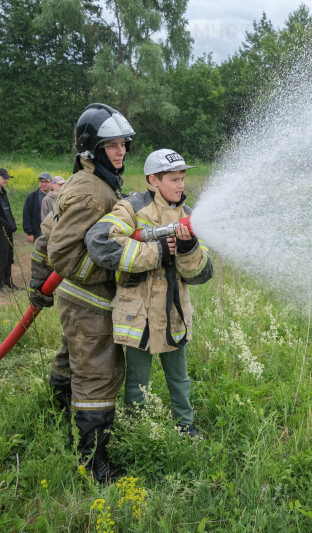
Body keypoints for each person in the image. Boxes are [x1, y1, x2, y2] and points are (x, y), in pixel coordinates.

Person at [28, 103, 135, 484]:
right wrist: (118, 267)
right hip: (90, 300)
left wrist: (37, 283)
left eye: (124, 144)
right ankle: (93, 463)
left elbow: (46, 233)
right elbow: (63, 251)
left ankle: (56, 411)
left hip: (74, 299)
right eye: (112, 145)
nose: (121, 151)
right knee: (97, 373)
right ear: (92, 148)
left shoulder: (89, 181)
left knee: (71, 357)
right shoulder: (92, 192)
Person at [86, 149, 213, 438]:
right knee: (138, 379)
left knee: (179, 378)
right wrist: (155, 251)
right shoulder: (131, 208)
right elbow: (100, 242)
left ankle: (185, 426)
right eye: (174, 179)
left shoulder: (190, 216)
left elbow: (201, 273)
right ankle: (136, 429)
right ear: (153, 180)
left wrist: (185, 248)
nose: (181, 185)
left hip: (173, 312)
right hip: (136, 312)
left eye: (182, 179)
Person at [23, 172, 52, 242]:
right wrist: (29, 233)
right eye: (41, 181)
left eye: (46, 182)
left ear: (51, 182)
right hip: (38, 232)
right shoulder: (32, 197)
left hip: (52, 231)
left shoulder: (56, 196)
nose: (43, 184)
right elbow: (27, 214)